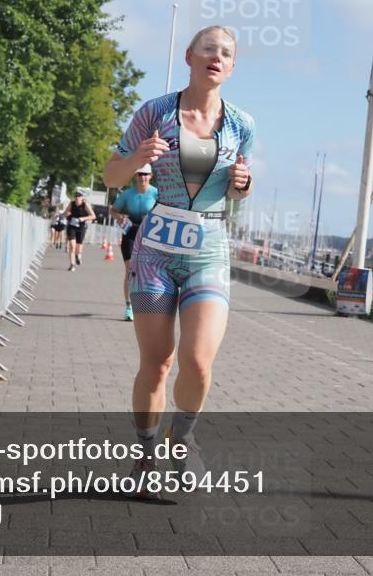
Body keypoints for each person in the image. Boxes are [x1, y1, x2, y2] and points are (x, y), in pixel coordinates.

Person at [102, 25, 254, 496]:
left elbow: (236, 196)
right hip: (155, 253)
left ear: (232, 67)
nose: (216, 57)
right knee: (157, 362)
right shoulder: (155, 112)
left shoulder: (241, 125)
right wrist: (138, 157)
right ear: (189, 57)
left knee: (198, 361)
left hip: (208, 248)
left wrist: (242, 187)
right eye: (208, 49)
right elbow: (111, 175)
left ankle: (182, 438)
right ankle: (146, 454)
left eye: (226, 53)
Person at [110, 165, 159, 322]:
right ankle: (128, 307)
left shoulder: (156, 193)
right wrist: (120, 218)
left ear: (150, 176)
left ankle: (149, 304)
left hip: (149, 234)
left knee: (149, 270)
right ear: (135, 176)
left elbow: (166, 211)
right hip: (130, 232)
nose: (142, 177)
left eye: (145, 174)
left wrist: (152, 217)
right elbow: (113, 210)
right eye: (139, 174)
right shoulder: (127, 193)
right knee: (130, 269)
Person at [64, 190, 96, 272]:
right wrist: (68, 215)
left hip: (81, 226)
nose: (77, 197)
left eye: (79, 196)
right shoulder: (72, 204)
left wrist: (83, 218)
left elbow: (93, 216)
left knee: (78, 249)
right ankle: (72, 265)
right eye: (76, 196)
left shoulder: (85, 205)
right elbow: (66, 212)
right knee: (72, 246)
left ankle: (78, 255)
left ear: (82, 197)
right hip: (72, 225)